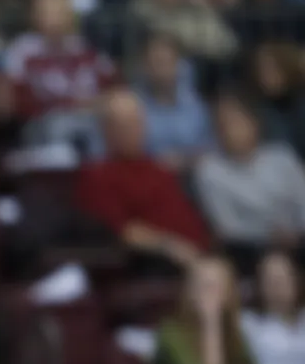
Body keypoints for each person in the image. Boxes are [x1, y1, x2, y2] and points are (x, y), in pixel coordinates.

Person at [77, 89, 212, 276]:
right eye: (123, 125)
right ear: (106, 129)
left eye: (137, 122)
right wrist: (171, 247)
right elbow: (124, 231)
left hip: (200, 255)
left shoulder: (158, 167)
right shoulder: (98, 175)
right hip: (158, 263)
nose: (133, 130)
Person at [193, 93, 305, 266]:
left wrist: (297, 233)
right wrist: (270, 236)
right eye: (222, 125)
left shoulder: (283, 157)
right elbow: (227, 228)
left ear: (254, 123)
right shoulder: (210, 171)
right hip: (252, 252)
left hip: (299, 241)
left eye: (235, 121)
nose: (229, 130)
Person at [0, 0, 116, 150]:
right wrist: (72, 104)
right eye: (47, 12)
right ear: (34, 16)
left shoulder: (86, 48)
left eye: (60, 11)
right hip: (43, 125)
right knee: (59, 126)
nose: (54, 18)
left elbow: (112, 89)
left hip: (89, 120)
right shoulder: (22, 51)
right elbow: (15, 101)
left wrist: (99, 103)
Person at [131, 33, 213, 170]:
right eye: (156, 62)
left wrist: (188, 160)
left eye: (168, 62)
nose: (162, 70)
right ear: (144, 66)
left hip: (192, 173)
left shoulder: (195, 104)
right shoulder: (132, 106)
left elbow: (209, 146)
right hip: (148, 174)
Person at [242, 251, 305, 364]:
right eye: (270, 280)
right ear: (259, 284)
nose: (277, 285)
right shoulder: (247, 324)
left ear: (296, 280)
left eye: (283, 278)